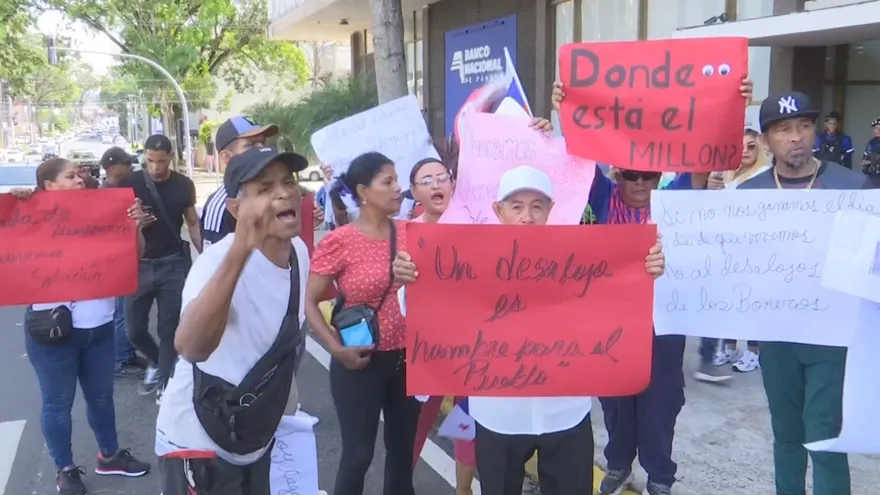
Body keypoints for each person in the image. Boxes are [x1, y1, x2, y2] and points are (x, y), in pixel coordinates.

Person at [392, 164, 666, 495]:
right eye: (516, 206)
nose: (527, 216)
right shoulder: (468, 260)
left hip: (566, 412)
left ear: (551, 209)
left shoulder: (581, 257)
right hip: (498, 414)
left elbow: (620, 307)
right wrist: (409, 280)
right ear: (498, 210)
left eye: (537, 206)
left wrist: (644, 268)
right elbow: (424, 315)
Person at [552, 77, 754, 495]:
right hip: (612, 324)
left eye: (648, 175)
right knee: (615, 401)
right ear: (617, 175)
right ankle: (618, 464)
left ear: (658, 176)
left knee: (660, 404)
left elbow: (701, 161)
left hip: (664, 324)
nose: (640, 183)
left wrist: (731, 107)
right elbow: (580, 158)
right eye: (631, 175)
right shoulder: (604, 200)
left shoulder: (675, 198)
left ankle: (660, 473)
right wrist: (565, 110)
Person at [734, 91, 868, 495]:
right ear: (767, 139)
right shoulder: (749, 195)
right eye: (784, 129)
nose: (797, 136)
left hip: (832, 337)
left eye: (804, 126)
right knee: (787, 435)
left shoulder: (853, 185)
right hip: (776, 338)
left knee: (825, 438)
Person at [156, 146, 310, 495]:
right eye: (265, 188)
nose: (284, 192)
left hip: (255, 433)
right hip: (199, 440)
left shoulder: (299, 251)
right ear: (236, 209)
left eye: (288, 182)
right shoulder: (216, 262)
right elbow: (191, 347)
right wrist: (241, 249)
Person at [11, 158, 151, 495]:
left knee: (102, 398)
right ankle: (65, 468)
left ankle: (110, 454)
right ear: (48, 186)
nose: (79, 179)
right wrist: (15, 204)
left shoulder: (104, 209)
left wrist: (134, 227)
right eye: (70, 176)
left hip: (99, 325)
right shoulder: (30, 213)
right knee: (57, 404)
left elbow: (134, 257)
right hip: (52, 330)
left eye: (81, 174)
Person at [305, 152, 418, 495]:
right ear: (363, 191)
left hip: (408, 362)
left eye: (398, 181)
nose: (399, 189)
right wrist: (337, 349)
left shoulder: (413, 232)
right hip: (360, 362)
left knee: (402, 454)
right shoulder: (341, 241)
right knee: (358, 454)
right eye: (388, 182)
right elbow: (310, 302)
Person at [119, 134, 202, 403]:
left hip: (172, 265)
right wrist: (134, 223)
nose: (156, 167)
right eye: (151, 160)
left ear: (171, 158)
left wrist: (208, 256)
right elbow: (109, 222)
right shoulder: (128, 183)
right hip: (138, 265)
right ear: (144, 155)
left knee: (169, 330)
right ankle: (156, 362)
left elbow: (192, 223)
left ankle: (166, 384)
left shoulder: (183, 185)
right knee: (134, 331)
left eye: (162, 161)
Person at [698, 128, 768, 377]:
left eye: (751, 146)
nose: (746, 152)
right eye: (741, 147)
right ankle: (728, 346)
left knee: (751, 300)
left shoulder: (764, 176)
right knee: (727, 298)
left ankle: (753, 350)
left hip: (753, 250)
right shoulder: (725, 176)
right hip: (724, 249)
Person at [100, 146, 149, 377]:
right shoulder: (106, 193)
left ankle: (125, 353)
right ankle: (121, 360)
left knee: (123, 311)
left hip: (127, 255)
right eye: (126, 163)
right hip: (115, 260)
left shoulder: (123, 188)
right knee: (121, 312)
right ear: (112, 167)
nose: (131, 167)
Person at [200, 116, 279, 247]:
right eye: (251, 145)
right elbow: (216, 264)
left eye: (262, 143)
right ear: (227, 157)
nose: (260, 150)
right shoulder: (220, 207)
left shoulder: (275, 191)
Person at [861, 117, 880, 187]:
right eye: (876, 128)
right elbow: (864, 160)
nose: (878, 130)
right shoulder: (871, 142)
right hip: (872, 176)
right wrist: (869, 162)